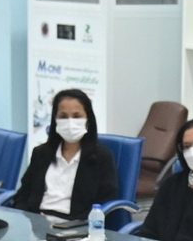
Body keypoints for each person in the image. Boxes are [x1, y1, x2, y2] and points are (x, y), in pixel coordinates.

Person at [18, 88, 119, 221]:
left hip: (76, 224)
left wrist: (77, 223)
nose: (70, 122)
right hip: (37, 221)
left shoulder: (101, 156)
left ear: (88, 119)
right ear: (55, 119)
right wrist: (27, 218)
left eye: (77, 116)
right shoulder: (41, 153)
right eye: (63, 116)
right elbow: (23, 194)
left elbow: (106, 199)